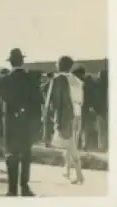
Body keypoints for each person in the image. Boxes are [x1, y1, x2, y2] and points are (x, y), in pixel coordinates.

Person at [0, 48, 43, 196]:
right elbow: (38, 101)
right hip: (27, 122)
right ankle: (25, 186)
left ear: (10, 63)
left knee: (11, 155)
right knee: (26, 155)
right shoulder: (32, 79)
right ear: (22, 61)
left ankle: (12, 189)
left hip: (10, 123)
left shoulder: (4, 79)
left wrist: (8, 111)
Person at [44, 56, 85, 184]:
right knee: (70, 143)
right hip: (77, 114)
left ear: (59, 65)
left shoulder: (57, 79)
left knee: (70, 145)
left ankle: (79, 174)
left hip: (65, 116)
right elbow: (81, 100)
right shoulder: (76, 80)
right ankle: (67, 169)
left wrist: (49, 115)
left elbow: (51, 100)